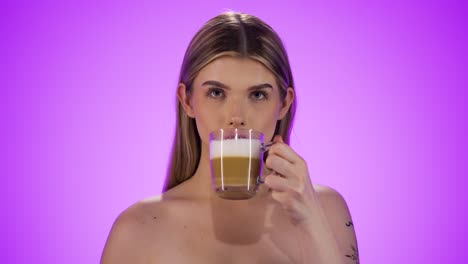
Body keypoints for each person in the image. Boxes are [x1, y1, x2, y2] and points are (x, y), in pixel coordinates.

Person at [101, 11, 359, 264]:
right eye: (216, 93)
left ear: (284, 104)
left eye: (257, 95)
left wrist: (310, 220)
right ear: (187, 101)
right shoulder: (137, 229)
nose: (236, 116)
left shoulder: (326, 210)